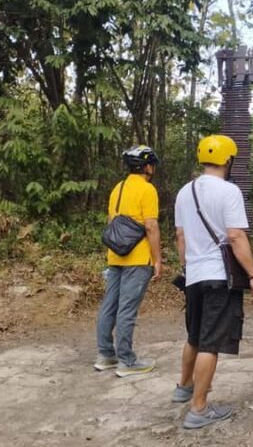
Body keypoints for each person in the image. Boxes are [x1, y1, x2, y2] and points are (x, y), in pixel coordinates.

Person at [172, 134, 253, 429]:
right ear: (228, 160)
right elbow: (235, 236)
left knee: (194, 336)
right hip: (218, 277)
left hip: (194, 276)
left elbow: (180, 236)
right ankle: (198, 408)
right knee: (210, 343)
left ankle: (183, 387)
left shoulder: (185, 192)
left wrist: (187, 266)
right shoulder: (229, 191)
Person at [95, 145, 162, 377]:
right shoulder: (147, 190)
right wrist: (157, 259)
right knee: (127, 309)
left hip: (115, 254)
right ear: (147, 166)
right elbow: (151, 226)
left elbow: (112, 220)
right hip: (138, 257)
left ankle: (105, 355)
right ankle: (127, 360)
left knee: (109, 305)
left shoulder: (118, 188)